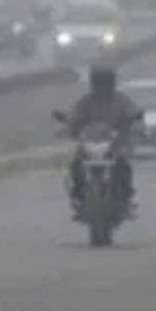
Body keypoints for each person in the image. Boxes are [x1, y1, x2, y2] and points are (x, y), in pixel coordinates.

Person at [63, 63, 142, 213]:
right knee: (76, 163)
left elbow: (133, 112)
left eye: (105, 83)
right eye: (99, 83)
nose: (102, 87)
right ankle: (77, 194)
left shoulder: (121, 100)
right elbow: (75, 115)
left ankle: (128, 194)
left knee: (123, 163)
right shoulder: (86, 101)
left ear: (112, 83)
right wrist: (69, 123)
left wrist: (134, 121)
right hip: (91, 141)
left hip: (115, 142)